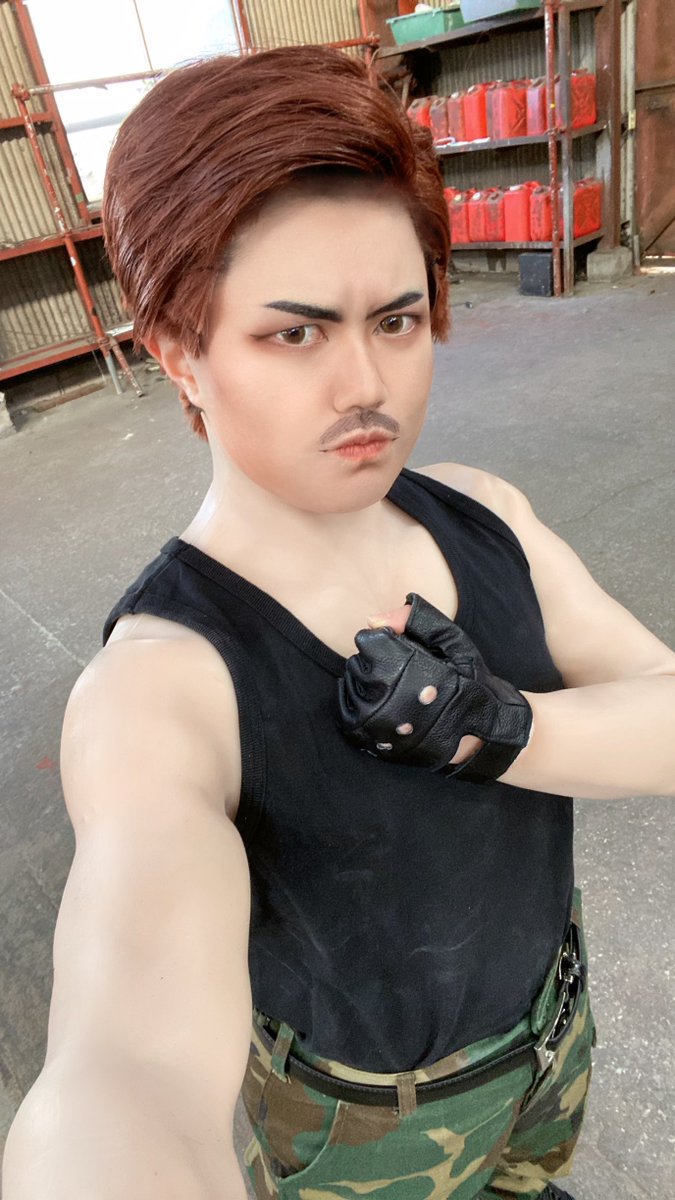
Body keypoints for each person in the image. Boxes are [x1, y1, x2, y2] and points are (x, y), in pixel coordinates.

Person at [3, 45, 674, 1200]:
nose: (366, 383)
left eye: (397, 320)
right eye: (296, 332)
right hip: (374, 1133)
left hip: (549, 1024)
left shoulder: (487, 515)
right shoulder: (162, 683)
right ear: (181, 354)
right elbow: (129, 1064)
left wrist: (498, 730)